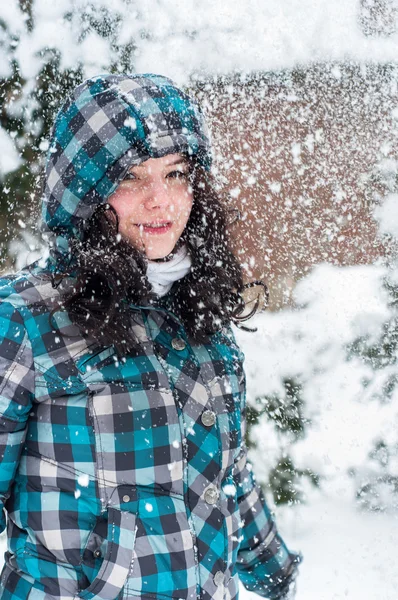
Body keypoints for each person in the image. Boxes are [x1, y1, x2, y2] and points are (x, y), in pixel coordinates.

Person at [0, 73, 300, 600]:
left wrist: (274, 570)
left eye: (176, 173)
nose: (161, 201)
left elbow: (223, 474)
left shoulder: (197, 311)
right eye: (132, 178)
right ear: (85, 193)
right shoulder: (26, 321)